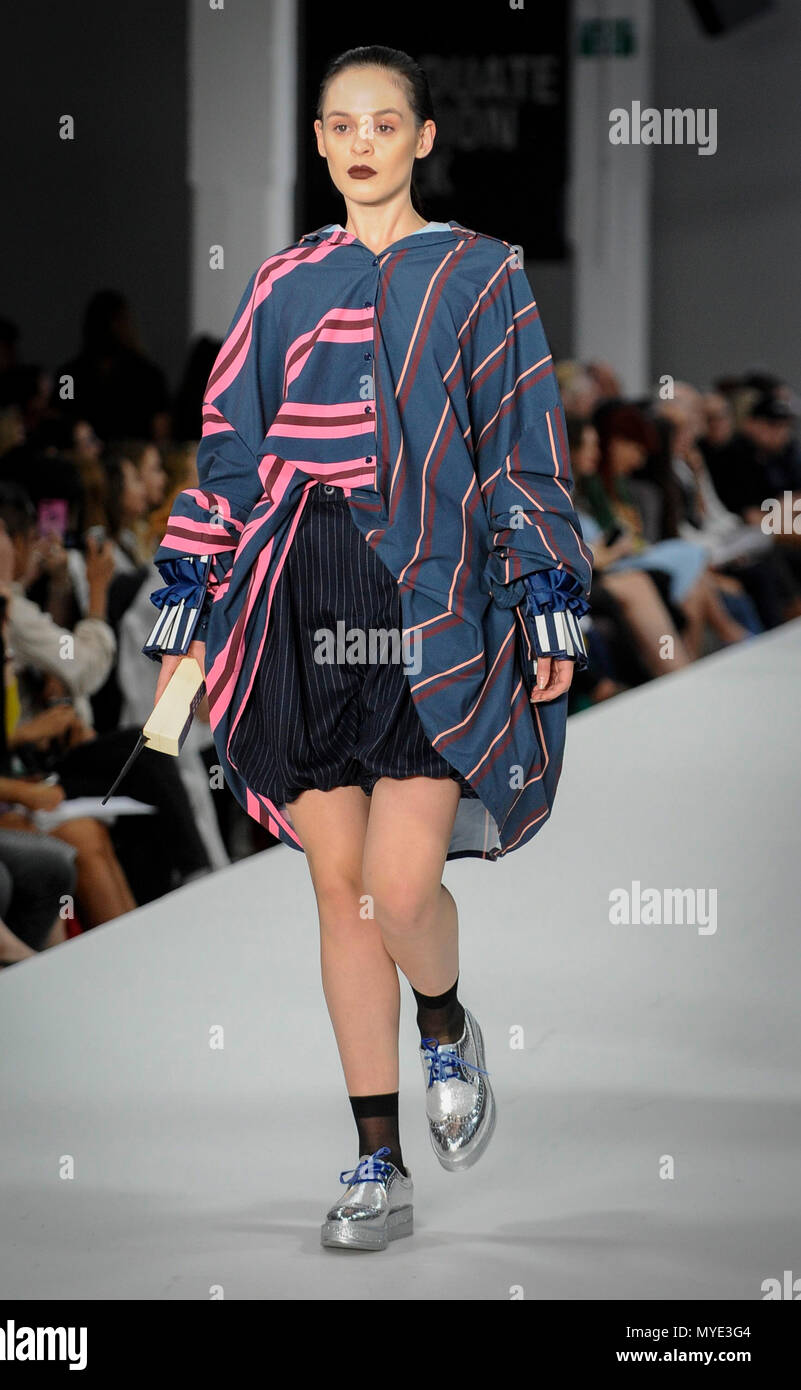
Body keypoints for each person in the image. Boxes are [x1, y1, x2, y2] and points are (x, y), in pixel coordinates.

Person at [143, 48, 594, 1251]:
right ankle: (374, 1161)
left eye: (382, 122)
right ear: (319, 137)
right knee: (343, 898)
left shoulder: (483, 273)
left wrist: (544, 589)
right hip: (297, 592)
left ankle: (445, 1019)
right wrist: (190, 585)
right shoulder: (282, 282)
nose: (360, 142)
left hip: (431, 595)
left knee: (402, 886)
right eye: (340, 124)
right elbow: (229, 449)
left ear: (422, 136)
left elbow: (519, 444)